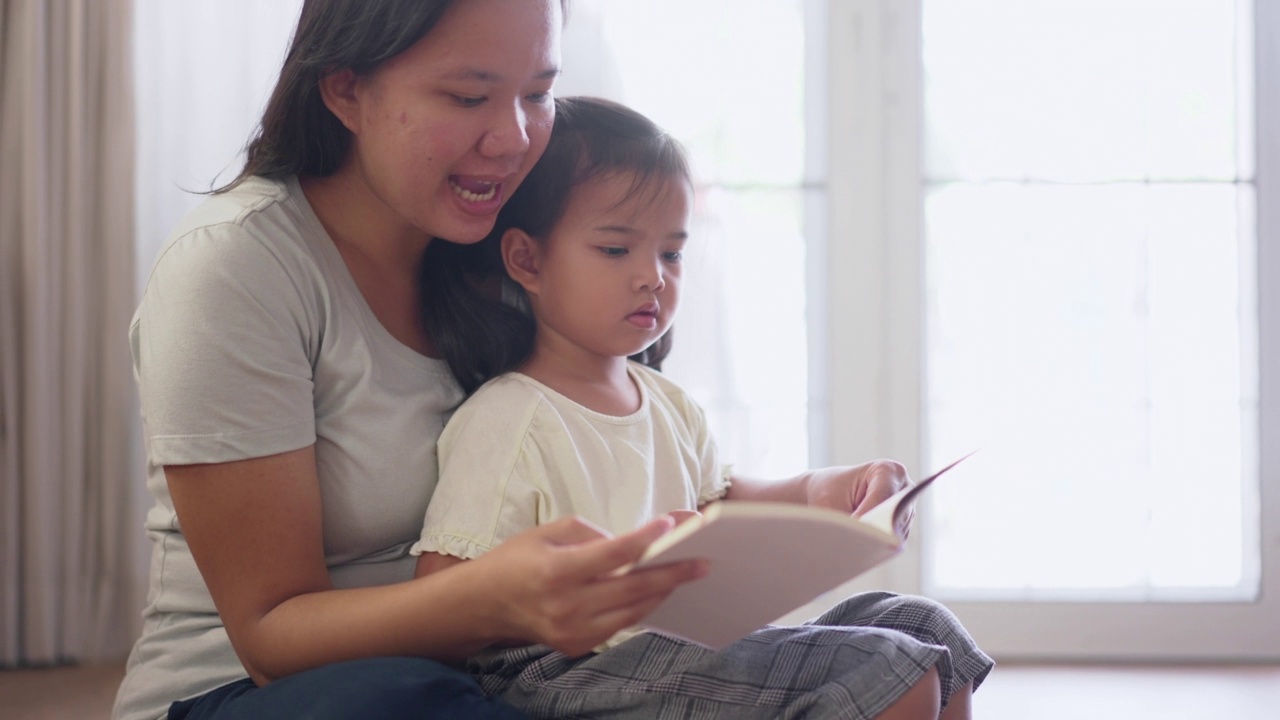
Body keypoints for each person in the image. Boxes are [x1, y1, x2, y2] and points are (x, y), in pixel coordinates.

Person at [114, 2, 710, 719]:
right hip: (263, 690)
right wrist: (487, 599)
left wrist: (811, 504)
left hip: (501, 666)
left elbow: (633, 425)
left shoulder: (513, 249)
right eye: (467, 97)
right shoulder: (236, 268)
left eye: (537, 94)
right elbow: (269, 641)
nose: (515, 138)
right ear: (345, 90)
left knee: (855, 650)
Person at [411, 96, 993, 719]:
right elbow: (443, 599)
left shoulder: (666, 401)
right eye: (616, 250)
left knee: (925, 631)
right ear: (527, 259)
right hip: (560, 671)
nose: (653, 277)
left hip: (680, 649)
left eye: (671, 253)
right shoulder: (509, 419)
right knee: (887, 668)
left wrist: (829, 491)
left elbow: (721, 502)